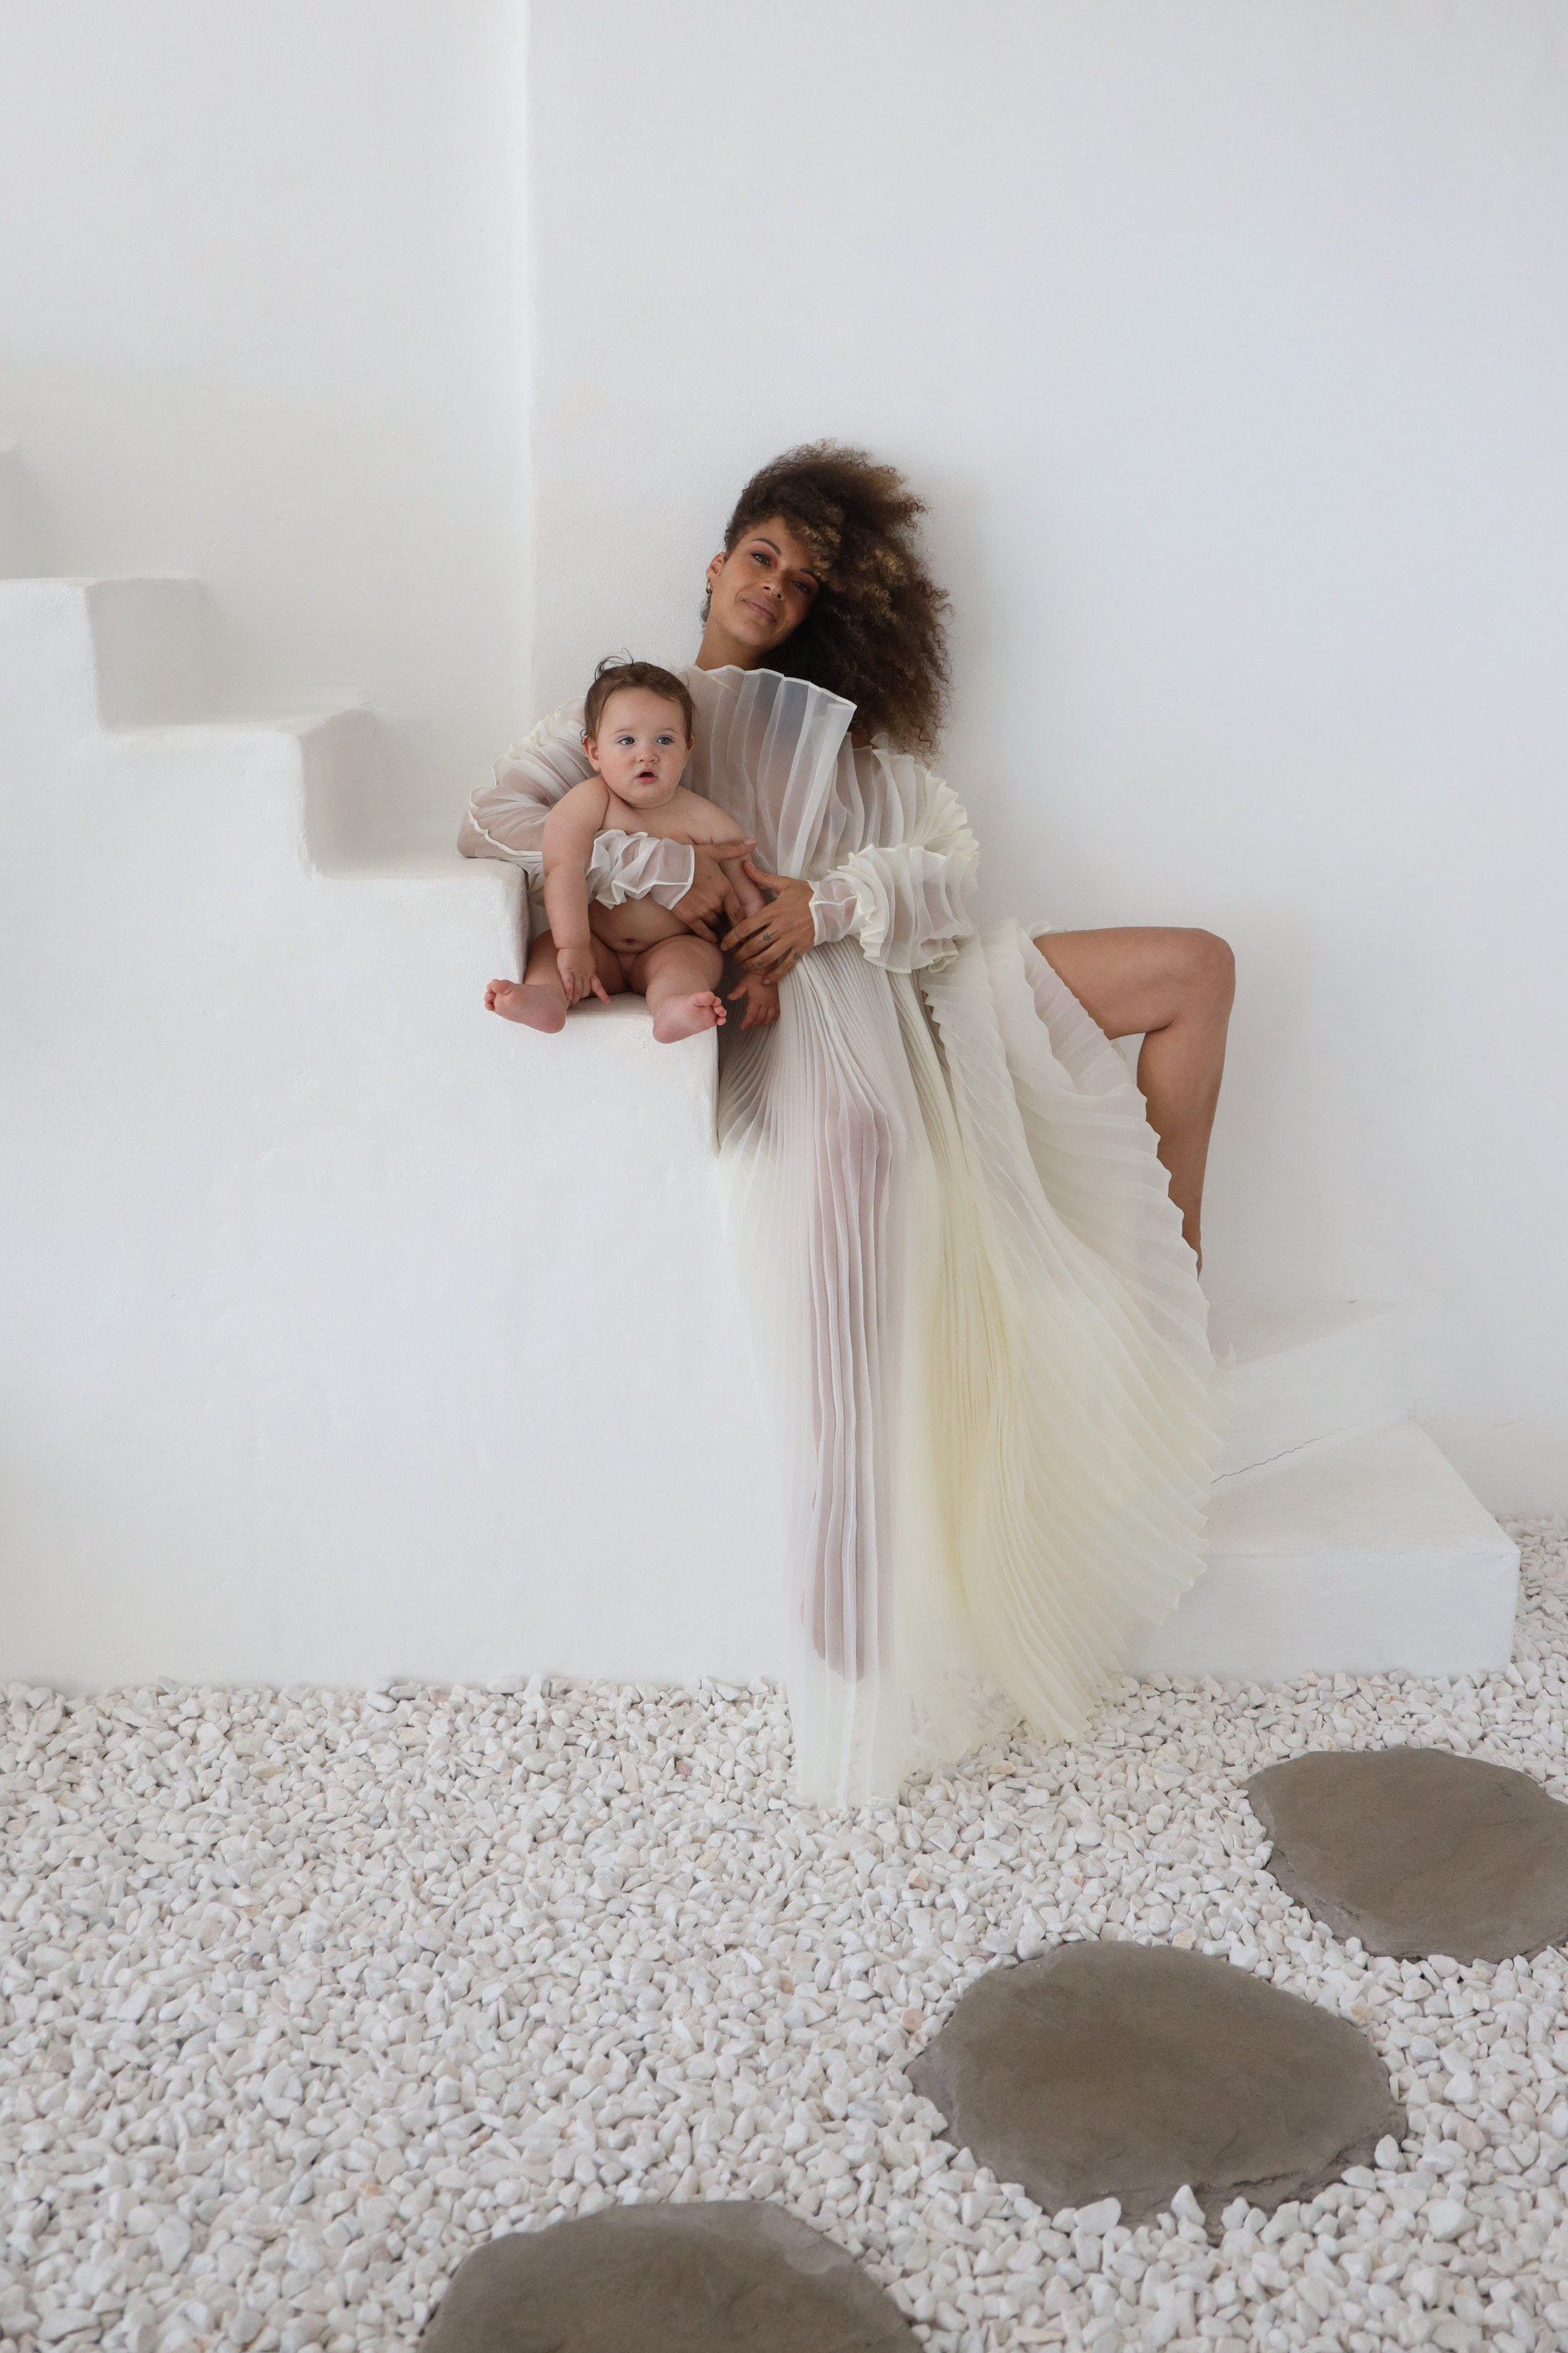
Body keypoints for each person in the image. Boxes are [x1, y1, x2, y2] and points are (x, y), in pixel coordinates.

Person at [460, 444, 1231, 1804]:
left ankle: (1161, 1275)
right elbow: (505, 836)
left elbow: (946, 873)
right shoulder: (617, 727)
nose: (774, 585)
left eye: (802, 579)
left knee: (1195, 968)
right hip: (801, 1025)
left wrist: (830, 902)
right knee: (868, 1186)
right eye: (760, 555)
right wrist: (677, 870)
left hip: (925, 984)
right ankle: (852, 1621)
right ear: (714, 562)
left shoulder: (843, 748)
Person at [484, 657, 779, 1040]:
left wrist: (761, 975)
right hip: (596, 946)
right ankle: (546, 998)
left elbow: (750, 905)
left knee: (694, 960)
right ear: (593, 751)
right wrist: (573, 947)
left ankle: (674, 1006)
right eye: (627, 740)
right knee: (547, 949)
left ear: (687, 749)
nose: (647, 754)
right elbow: (564, 870)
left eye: (665, 740)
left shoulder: (707, 821)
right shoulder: (587, 803)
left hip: (668, 946)